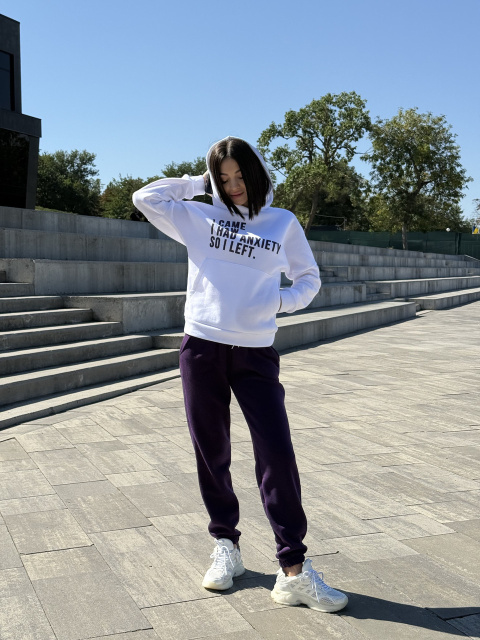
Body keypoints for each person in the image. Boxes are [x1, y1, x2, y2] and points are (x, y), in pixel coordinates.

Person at [132, 136, 348, 613]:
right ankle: (225, 545)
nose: (232, 187)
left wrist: (278, 302)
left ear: (257, 173)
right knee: (212, 450)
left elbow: (309, 279)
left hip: (255, 353)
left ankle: (293, 569)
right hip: (202, 348)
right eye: (223, 178)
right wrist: (199, 182)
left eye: (239, 176)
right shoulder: (198, 216)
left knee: (276, 453)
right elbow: (145, 198)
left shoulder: (282, 222)